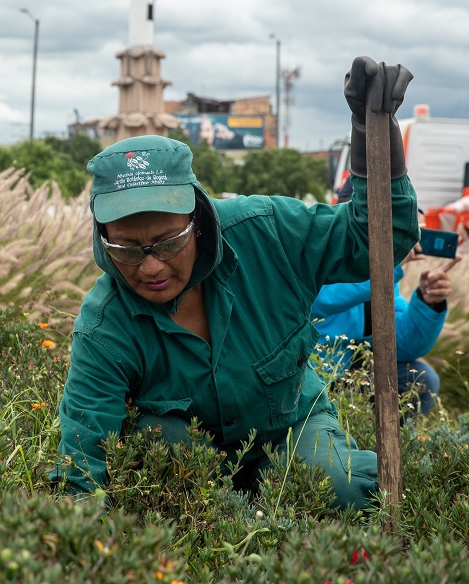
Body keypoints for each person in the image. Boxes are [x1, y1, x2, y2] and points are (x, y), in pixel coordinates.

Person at [53, 56, 418, 511]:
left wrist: (373, 140)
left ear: (198, 220)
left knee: (342, 492)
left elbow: (378, 242)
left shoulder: (268, 233)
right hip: (187, 454)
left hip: (288, 426)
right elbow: (82, 464)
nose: (150, 268)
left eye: (168, 243)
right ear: (102, 238)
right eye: (127, 249)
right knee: (165, 455)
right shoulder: (105, 325)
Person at [311, 215, 462, 417]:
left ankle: (383, 446)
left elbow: (400, 345)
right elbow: (319, 300)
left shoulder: (385, 282)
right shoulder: (316, 251)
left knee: (421, 380)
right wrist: (382, 266)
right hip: (305, 376)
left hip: (343, 374)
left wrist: (428, 303)